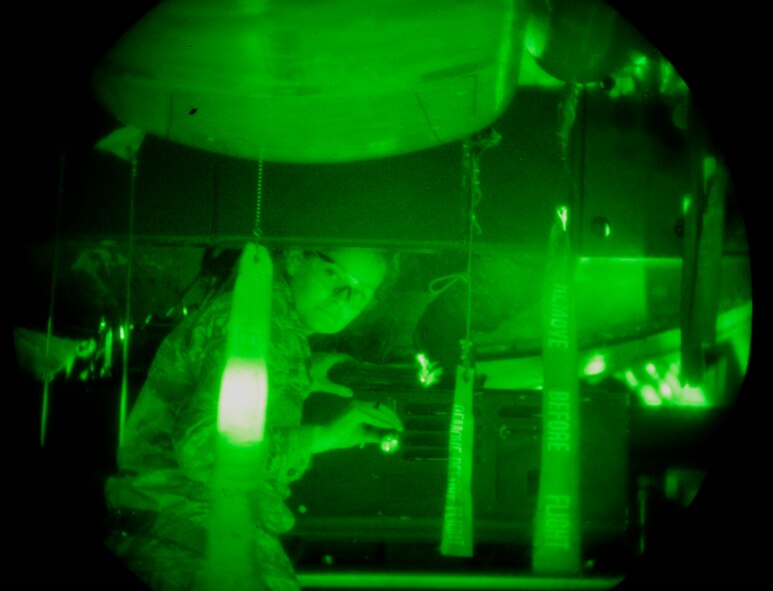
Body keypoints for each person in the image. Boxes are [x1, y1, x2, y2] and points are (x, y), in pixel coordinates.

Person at [103, 246, 404, 591]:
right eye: (333, 275)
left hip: (192, 534)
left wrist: (304, 374)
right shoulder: (259, 328)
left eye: (362, 293)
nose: (344, 298)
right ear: (294, 262)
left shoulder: (273, 325)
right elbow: (205, 450)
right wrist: (322, 437)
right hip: (195, 541)